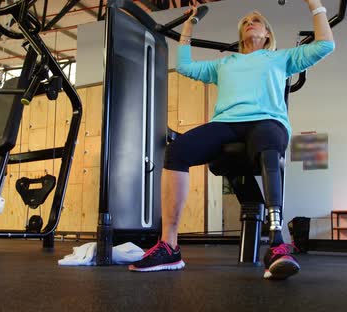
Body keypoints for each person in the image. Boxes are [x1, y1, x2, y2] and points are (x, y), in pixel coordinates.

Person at [129, 0, 334, 280]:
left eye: (257, 20)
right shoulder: (226, 62)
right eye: (246, 21)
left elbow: (325, 45)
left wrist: (315, 4)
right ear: (241, 35)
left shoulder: (281, 57)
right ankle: (170, 245)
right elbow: (186, 66)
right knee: (177, 151)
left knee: (268, 146)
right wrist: (189, 25)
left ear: (267, 34)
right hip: (226, 123)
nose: (250, 22)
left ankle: (276, 244)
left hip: (267, 121)